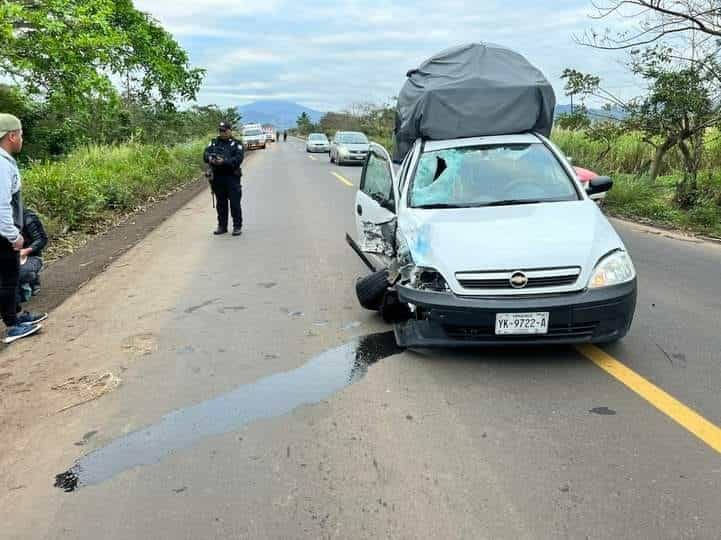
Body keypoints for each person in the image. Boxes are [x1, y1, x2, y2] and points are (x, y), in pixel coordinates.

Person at [0, 113, 46, 344]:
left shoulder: (5, 161)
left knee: (9, 278)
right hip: (3, 235)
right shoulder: (1, 164)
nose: (22, 139)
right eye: (20, 134)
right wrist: (12, 235)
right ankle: (12, 326)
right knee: (8, 280)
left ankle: (16, 319)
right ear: (11, 135)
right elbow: (2, 204)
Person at [203, 121, 244, 236]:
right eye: (220, 130)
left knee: (235, 203)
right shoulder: (213, 142)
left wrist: (224, 161)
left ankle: (237, 226)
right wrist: (210, 158)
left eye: (224, 130)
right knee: (221, 204)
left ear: (230, 130)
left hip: (232, 177)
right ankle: (222, 226)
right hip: (217, 178)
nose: (222, 133)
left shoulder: (237, 144)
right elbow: (205, 154)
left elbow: (238, 159)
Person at [18, 207, 47, 298]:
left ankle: (31, 281)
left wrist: (26, 251)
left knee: (19, 272)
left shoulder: (27, 217)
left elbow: (41, 239)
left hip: (31, 257)